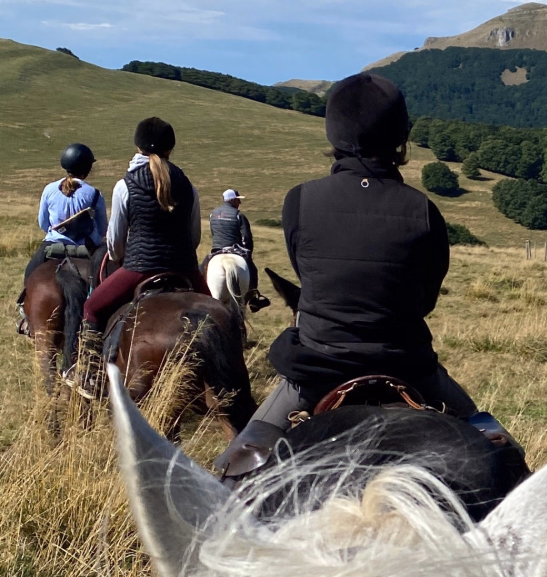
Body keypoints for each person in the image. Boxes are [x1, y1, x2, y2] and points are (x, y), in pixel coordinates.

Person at [212, 73, 501, 480]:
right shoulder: (423, 209)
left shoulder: (300, 200)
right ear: (401, 139)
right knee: (498, 450)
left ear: (334, 133)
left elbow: (306, 276)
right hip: (410, 366)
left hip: (316, 368)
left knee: (236, 464)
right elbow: (427, 299)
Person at [65, 117, 202, 399]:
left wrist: (123, 257)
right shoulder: (188, 184)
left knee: (91, 307)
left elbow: (115, 243)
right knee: (224, 318)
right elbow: (195, 237)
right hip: (185, 268)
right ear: (171, 148)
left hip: (140, 268)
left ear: (137, 146)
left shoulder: (125, 185)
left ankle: (90, 374)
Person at [16, 143, 104, 332]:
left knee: (30, 274)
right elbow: (102, 228)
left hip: (51, 246)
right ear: (88, 168)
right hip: (84, 250)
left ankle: (26, 316)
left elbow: (43, 223)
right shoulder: (95, 194)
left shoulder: (49, 189)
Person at [207, 187, 268, 308]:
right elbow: (247, 238)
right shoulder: (238, 215)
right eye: (238, 200)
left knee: (201, 268)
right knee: (253, 270)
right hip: (235, 250)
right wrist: (248, 253)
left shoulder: (212, 214)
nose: (240, 202)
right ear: (232, 200)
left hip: (217, 250)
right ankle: (254, 300)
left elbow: (213, 233)